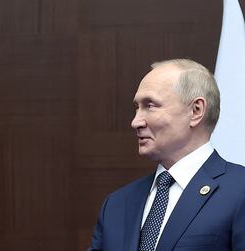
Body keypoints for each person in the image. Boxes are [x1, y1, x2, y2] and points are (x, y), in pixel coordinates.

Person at [88, 59, 245, 251]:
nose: (136, 122)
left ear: (196, 111)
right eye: (137, 108)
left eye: (150, 105)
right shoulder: (116, 205)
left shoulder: (239, 191)